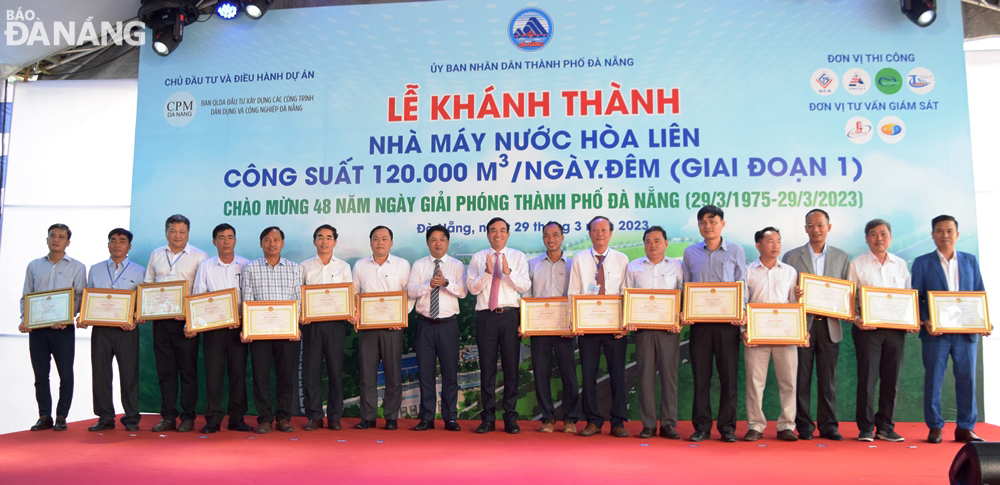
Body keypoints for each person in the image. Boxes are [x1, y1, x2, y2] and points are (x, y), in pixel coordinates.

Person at [912, 215, 986, 444]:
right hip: (936, 334)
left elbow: (978, 294)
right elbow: (917, 298)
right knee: (933, 380)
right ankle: (935, 427)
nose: (945, 235)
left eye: (949, 231)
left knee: (967, 380)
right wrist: (925, 321)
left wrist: (983, 320)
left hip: (966, 333)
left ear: (957, 234)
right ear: (932, 235)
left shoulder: (970, 261)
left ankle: (965, 427)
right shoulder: (922, 262)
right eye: (940, 231)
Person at [782, 209, 850, 441]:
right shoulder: (791, 257)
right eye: (811, 225)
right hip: (802, 326)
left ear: (828, 227)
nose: (816, 229)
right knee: (801, 378)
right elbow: (784, 295)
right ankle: (804, 425)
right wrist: (796, 294)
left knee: (827, 379)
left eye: (820, 225)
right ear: (805, 228)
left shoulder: (842, 257)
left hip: (830, 326)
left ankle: (829, 425)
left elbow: (846, 293)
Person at [682, 205, 746, 443]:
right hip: (700, 324)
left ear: (722, 224)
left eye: (712, 221)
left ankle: (727, 427)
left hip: (727, 324)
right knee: (701, 376)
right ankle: (701, 427)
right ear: (698, 226)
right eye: (703, 222)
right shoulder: (690, 253)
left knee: (728, 377)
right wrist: (685, 310)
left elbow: (742, 284)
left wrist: (741, 311)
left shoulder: (736, 251)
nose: (708, 226)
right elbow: (686, 286)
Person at [848, 218, 915, 442]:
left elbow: (908, 297)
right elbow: (849, 299)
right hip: (867, 329)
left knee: (891, 378)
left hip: (896, 330)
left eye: (883, 234)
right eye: (874, 234)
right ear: (867, 239)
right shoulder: (857, 264)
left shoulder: (900, 265)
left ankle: (886, 426)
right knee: (867, 378)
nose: (879, 239)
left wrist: (911, 320)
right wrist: (856, 319)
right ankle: (866, 428)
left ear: (890, 237)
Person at [142, 214, 208, 433]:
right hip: (160, 323)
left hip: (186, 324)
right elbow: (148, 284)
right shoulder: (156, 255)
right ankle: (168, 416)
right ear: (166, 232)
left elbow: (200, 291)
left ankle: (188, 417)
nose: (177, 235)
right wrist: (145, 309)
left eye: (181, 231)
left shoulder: (199, 256)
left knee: (188, 372)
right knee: (165, 372)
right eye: (173, 231)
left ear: (188, 233)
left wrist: (191, 318)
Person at [19, 223, 86, 432]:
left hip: (62, 329)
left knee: (66, 373)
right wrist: (25, 319)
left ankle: (61, 416)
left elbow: (79, 297)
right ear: (46, 239)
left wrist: (67, 317)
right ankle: (44, 416)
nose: (56, 239)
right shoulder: (34, 265)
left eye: (61, 236)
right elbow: (26, 296)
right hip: (37, 329)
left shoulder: (77, 267)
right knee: (40, 374)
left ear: (68, 242)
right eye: (52, 236)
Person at [467, 217, 531, 434]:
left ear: (508, 234)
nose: (498, 234)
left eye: (502, 230)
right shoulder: (477, 258)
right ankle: (488, 418)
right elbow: (473, 289)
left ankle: (511, 418)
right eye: (493, 230)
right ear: (487, 234)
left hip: (510, 315)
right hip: (486, 316)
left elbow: (525, 286)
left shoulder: (518, 257)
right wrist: (487, 272)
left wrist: (508, 272)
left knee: (511, 367)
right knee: (487, 368)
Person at [568, 216, 630, 438]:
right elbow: (573, 292)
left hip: (615, 328)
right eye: (595, 230)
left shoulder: (622, 259)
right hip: (588, 327)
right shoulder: (580, 259)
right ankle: (593, 420)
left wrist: (624, 324)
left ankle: (618, 421)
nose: (600, 233)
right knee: (588, 375)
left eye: (604, 230)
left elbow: (626, 292)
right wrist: (575, 322)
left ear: (611, 233)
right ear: (589, 234)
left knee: (617, 374)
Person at [79, 228, 145, 432]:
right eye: (113, 240)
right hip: (101, 330)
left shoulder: (140, 270)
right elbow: (88, 299)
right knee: (100, 373)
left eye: (122, 241)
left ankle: (132, 417)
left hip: (127, 330)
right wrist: (84, 317)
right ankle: (105, 416)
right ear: (108, 244)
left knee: (129, 374)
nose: (117, 244)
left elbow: (143, 304)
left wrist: (135, 319)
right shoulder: (96, 269)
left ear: (129, 246)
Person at [742, 227, 802, 442]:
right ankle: (755, 425)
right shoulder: (747, 271)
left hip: (785, 336)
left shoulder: (790, 271)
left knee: (789, 382)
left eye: (778, 241)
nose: (775, 245)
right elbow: (743, 304)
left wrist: (799, 331)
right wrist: (744, 331)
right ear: (758, 245)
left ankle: (787, 425)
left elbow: (795, 305)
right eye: (770, 241)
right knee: (755, 383)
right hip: (756, 337)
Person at [241, 226, 302, 434]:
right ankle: (264, 419)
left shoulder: (294, 268)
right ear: (261, 243)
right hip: (260, 333)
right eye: (267, 240)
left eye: (276, 240)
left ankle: (284, 418)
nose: (272, 244)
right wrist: (247, 328)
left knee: (285, 376)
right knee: (260, 376)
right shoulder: (250, 268)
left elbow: (298, 301)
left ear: (282, 243)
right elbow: (247, 300)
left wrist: (295, 326)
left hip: (286, 333)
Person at [625, 226, 683, 440]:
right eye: (648, 241)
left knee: (669, 377)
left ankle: (668, 423)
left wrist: (679, 318)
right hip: (643, 331)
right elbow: (627, 297)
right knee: (645, 376)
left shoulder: (677, 266)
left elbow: (684, 294)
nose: (653, 245)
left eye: (657, 241)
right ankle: (648, 424)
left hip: (669, 330)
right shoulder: (634, 267)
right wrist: (628, 320)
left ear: (666, 243)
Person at [192, 223, 251, 433]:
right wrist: (194, 324)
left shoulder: (246, 265)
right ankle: (213, 419)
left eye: (230, 237)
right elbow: (199, 297)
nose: (226, 241)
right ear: (214, 241)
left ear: (235, 240)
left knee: (238, 375)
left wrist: (246, 321)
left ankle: (237, 419)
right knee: (214, 375)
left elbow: (251, 297)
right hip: (213, 330)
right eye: (221, 237)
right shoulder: (205, 266)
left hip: (239, 329)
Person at [407, 224, 467, 432]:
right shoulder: (419, 265)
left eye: (442, 239)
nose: (438, 243)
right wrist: (430, 284)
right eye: (433, 239)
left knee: (450, 373)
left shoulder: (457, 265)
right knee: (425, 373)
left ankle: (450, 417)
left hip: (448, 325)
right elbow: (412, 291)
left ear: (447, 242)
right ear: (427, 242)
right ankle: (427, 417)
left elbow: (463, 292)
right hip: (425, 324)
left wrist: (446, 282)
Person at [353, 225, 412, 431]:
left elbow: (408, 294)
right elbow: (354, 295)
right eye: (376, 238)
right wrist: (355, 314)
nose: (380, 242)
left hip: (393, 328)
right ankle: (367, 417)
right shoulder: (360, 265)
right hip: (367, 329)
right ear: (370, 242)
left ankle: (391, 417)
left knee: (393, 375)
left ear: (391, 243)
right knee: (367, 375)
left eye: (384, 239)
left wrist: (402, 317)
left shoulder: (402, 265)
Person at [526, 221, 579, 433]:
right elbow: (527, 295)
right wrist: (526, 322)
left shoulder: (573, 264)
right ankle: (547, 418)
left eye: (555, 234)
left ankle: (570, 418)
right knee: (540, 373)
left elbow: (578, 294)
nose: (551, 239)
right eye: (547, 235)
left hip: (565, 327)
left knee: (569, 373)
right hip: (539, 328)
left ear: (562, 237)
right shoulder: (533, 264)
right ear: (543, 238)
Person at [300, 224, 353, 431]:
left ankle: (334, 416)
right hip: (311, 325)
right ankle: (314, 416)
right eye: (320, 237)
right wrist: (301, 315)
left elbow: (348, 297)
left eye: (329, 237)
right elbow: (299, 296)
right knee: (311, 371)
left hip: (335, 326)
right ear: (314, 241)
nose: (324, 241)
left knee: (334, 370)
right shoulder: (304, 267)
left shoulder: (343, 267)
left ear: (335, 242)